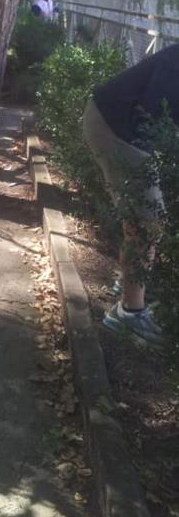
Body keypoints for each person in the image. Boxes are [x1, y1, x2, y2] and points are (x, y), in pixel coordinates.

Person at [82, 43, 179, 347]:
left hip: (119, 123)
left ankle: (127, 285)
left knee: (142, 217)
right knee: (147, 222)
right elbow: (156, 110)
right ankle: (129, 312)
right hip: (116, 126)